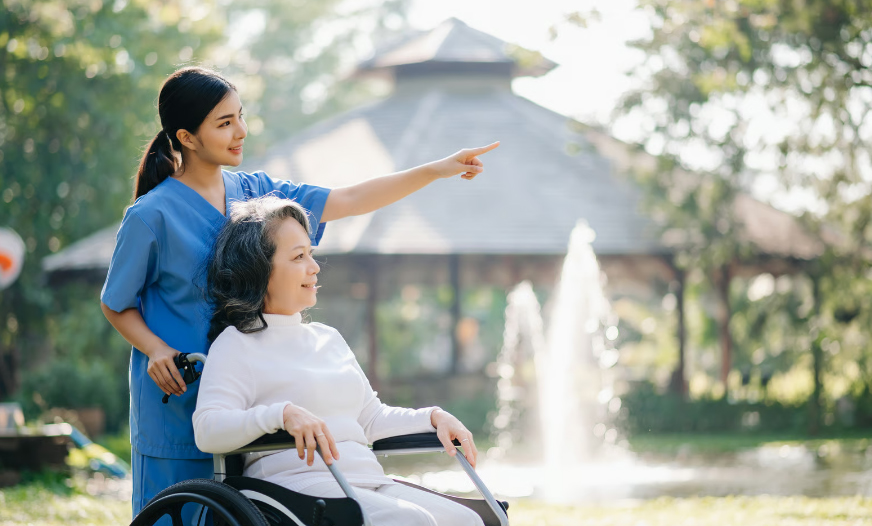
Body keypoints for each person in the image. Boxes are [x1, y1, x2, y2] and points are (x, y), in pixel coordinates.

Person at [99, 65, 498, 518]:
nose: (240, 131)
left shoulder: (254, 193)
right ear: (187, 137)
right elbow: (116, 303)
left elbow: (347, 200)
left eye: (240, 116)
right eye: (224, 123)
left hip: (262, 391)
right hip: (183, 394)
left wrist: (435, 170)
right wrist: (155, 350)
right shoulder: (151, 216)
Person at [193, 196, 484, 526]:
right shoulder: (238, 344)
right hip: (292, 490)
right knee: (412, 521)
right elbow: (208, 430)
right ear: (259, 269)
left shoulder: (327, 337)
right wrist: (281, 414)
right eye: (298, 256)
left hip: (364, 480)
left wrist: (432, 417)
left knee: (469, 520)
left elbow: (371, 418)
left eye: (311, 255)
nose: (314, 267)